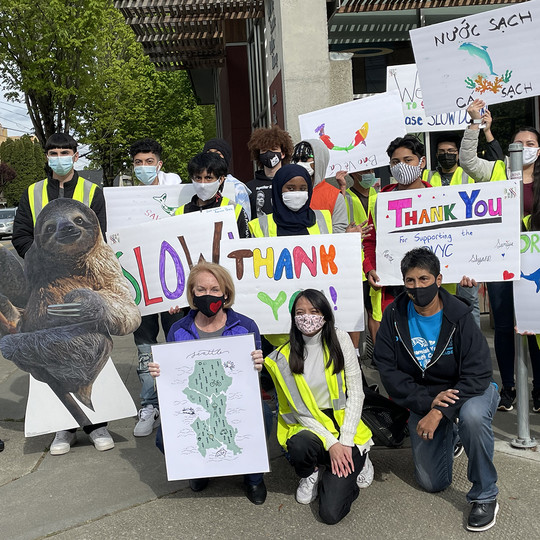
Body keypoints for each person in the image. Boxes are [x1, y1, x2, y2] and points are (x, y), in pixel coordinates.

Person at [374, 248, 500, 532]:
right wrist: (429, 402)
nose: (417, 287)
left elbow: (478, 372)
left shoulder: (460, 315)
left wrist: (441, 411)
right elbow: (388, 371)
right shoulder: (393, 316)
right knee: (432, 482)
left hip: (471, 390)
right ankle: (453, 434)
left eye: (424, 279)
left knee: (473, 417)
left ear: (439, 279)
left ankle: (485, 494)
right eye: (410, 281)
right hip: (426, 397)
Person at [11, 132, 112, 454]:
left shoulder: (92, 191)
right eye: (53, 152)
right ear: (47, 157)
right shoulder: (33, 192)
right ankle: (63, 428)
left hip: (83, 282)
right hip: (44, 284)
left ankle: (98, 424)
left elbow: (100, 235)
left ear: (76, 155)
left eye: (64, 152)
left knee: (92, 348)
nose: (59, 157)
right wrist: (43, 260)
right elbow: (21, 234)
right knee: (48, 353)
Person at [149, 262, 270, 505]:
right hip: (196, 400)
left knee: (264, 416)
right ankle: (198, 468)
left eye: (215, 289)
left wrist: (258, 363)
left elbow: (251, 376)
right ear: (192, 293)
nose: (208, 295)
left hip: (232, 398)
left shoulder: (246, 326)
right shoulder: (178, 329)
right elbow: (176, 374)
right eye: (201, 289)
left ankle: (253, 476)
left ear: (226, 293)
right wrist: (161, 373)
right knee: (163, 438)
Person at [264, 289, 373, 525]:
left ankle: (360, 457)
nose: (307, 317)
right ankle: (310, 472)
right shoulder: (282, 357)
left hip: (345, 426)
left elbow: (356, 392)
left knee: (330, 514)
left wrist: (344, 441)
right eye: (300, 312)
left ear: (325, 314)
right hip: (309, 427)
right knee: (300, 443)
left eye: (314, 311)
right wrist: (331, 444)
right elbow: (300, 412)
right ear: (293, 317)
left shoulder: (340, 338)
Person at [460, 99, 540, 410]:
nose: (524, 146)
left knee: (533, 326)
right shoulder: (495, 169)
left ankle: (537, 389)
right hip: (502, 261)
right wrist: (474, 124)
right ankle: (508, 387)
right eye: (519, 142)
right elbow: (467, 159)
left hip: (534, 263)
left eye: (530, 142)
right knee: (504, 327)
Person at [129, 138, 184, 437]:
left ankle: (178, 399)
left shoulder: (175, 194)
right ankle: (149, 404)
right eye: (138, 162)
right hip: (141, 287)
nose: (143, 167)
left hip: (172, 285)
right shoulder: (125, 201)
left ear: (160, 163)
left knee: (177, 340)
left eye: (149, 161)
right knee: (145, 346)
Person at [363, 135, 433, 322]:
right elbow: (369, 241)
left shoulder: (438, 198)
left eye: (407, 160)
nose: (401, 166)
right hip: (392, 289)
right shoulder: (379, 201)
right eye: (395, 162)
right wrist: (369, 269)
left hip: (431, 290)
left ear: (422, 162)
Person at [422, 133, 482, 327]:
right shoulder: (427, 176)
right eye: (441, 152)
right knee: (440, 303)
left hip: (466, 248)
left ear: (458, 154)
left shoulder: (470, 175)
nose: (445, 155)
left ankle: (473, 345)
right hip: (438, 249)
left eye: (450, 151)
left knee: (469, 302)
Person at [175, 152, 250, 238]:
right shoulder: (181, 213)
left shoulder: (235, 210)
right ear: (192, 179)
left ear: (221, 179)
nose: (203, 184)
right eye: (198, 178)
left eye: (208, 178)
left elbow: (245, 246)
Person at [291, 139, 348, 233]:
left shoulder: (335, 196)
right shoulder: (287, 192)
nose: (299, 163)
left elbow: (339, 232)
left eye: (305, 158)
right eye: (296, 159)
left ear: (319, 159)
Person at [246, 126, 294, 218]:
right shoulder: (249, 188)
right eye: (264, 150)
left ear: (283, 154)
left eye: (274, 149)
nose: (269, 154)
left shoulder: (292, 183)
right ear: (259, 155)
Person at [203, 138, 252, 220]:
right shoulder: (199, 184)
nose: (213, 157)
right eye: (209, 153)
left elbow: (245, 219)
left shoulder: (237, 187)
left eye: (218, 154)